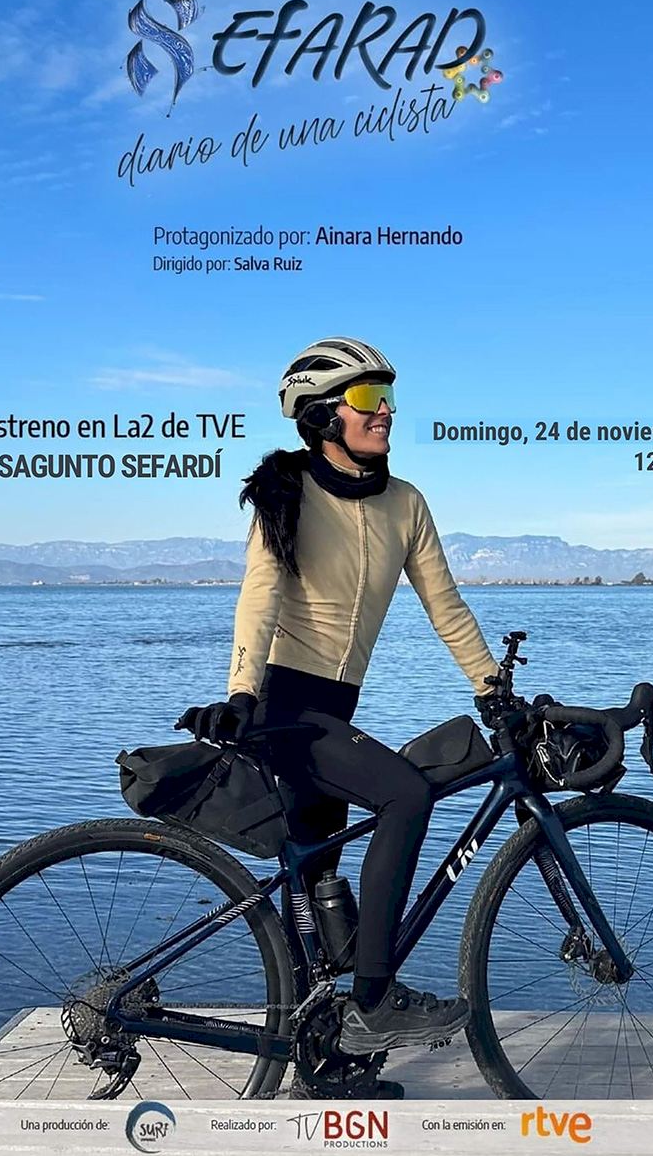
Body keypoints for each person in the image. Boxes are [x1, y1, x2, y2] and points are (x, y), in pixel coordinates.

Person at [211, 337, 500, 1063]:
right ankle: (375, 999)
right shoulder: (287, 493)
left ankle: (324, 1061)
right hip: (285, 710)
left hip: (333, 712)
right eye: (368, 399)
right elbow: (259, 597)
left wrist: (495, 689)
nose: (385, 413)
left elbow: (446, 608)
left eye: (388, 398)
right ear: (321, 416)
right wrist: (241, 692)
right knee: (405, 794)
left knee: (316, 894)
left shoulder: (406, 505)